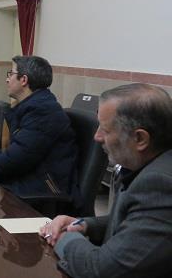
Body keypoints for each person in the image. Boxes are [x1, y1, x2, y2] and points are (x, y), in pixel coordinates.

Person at [40, 83, 172, 278]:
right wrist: (84, 225)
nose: (97, 137)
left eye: (105, 129)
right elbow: (136, 220)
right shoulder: (149, 166)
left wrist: (66, 239)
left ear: (140, 139)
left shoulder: (159, 184)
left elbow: (99, 270)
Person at [0, 55, 79, 203]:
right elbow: (18, 147)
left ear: (23, 80)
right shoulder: (33, 106)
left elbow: (17, 159)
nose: (7, 79)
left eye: (11, 74)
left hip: (42, 189)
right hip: (29, 178)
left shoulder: (42, 112)